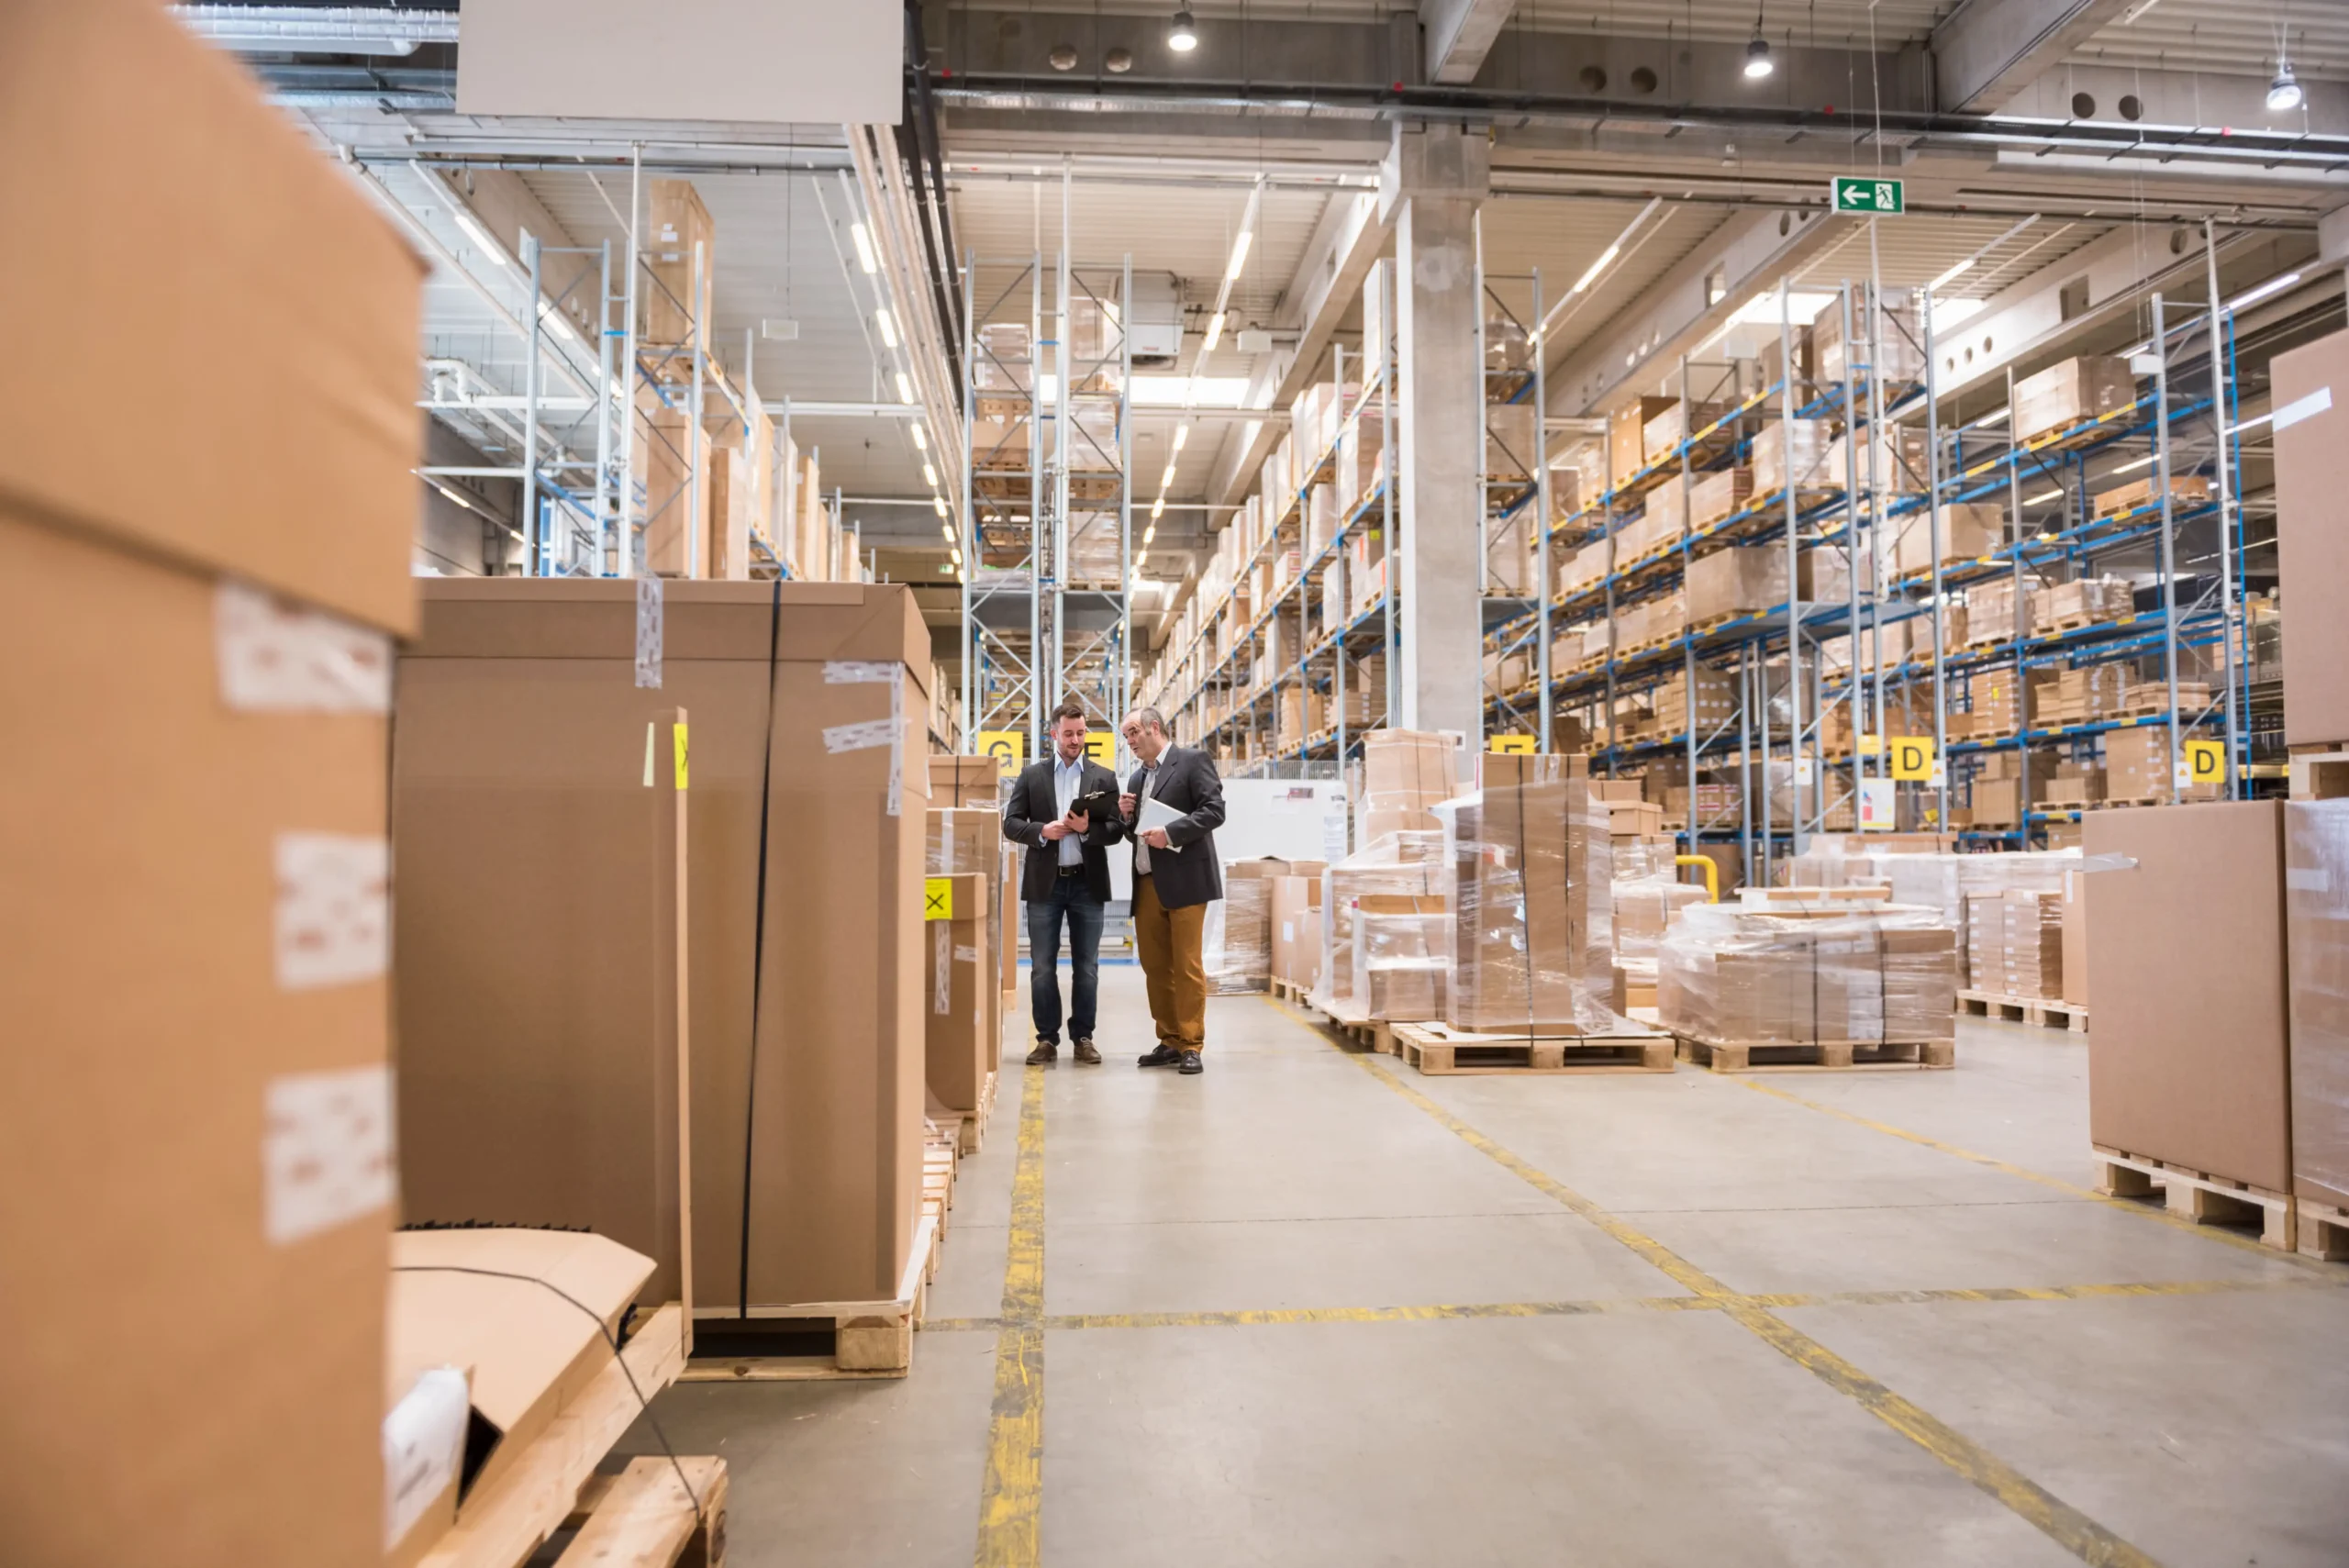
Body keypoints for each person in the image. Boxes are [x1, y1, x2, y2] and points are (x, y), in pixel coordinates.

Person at [1003, 701, 1125, 1065]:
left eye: (1081, 733)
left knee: (1087, 966)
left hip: (1087, 885)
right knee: (1042, 966)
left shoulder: (1103, 777)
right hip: (1046, 886)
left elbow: (1117, 830)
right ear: (1053, 734)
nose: (1076, 740)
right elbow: (1010, 823)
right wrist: (1043, 831)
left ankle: (1083, 1037)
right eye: (1069, 733)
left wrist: (1089, 831)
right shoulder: (1032, 776)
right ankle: (1046, 1039)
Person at [1117, 706, 1225, 1075]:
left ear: (1153, 727)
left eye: (1133, 732)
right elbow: (1136, 834)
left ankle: (1192, 1044)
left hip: (1186, 881)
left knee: (1187, 964)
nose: (1129, 741)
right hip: (1147, 882)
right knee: (1156, 966)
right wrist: (1126, 818)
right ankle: (1169, 1039)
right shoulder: (1135, 780)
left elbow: (1214, 811)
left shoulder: (1192, 762)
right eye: (1126, 736)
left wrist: (1172, 833)